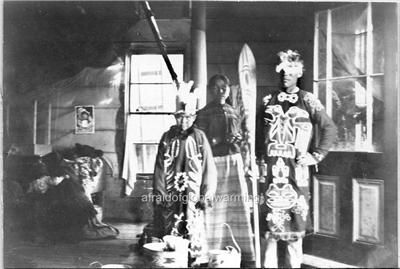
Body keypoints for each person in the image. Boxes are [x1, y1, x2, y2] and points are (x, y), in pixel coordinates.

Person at [255, 49, 337, 268]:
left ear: (299, 73)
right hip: (270, 174)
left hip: (296, 174)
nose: (285, 75)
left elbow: (329, 127)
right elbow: (256, 135)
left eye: (290, 71)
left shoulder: (308, 100)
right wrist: (255, 161)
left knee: (294, 234)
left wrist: (316, 155)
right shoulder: (267, 101)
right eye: (282, 71)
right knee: (269, 235)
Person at [152, 81, 217, 264]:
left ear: (194, 117)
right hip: (171, 193)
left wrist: (207, 192)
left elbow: (209, 168)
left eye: (188, 117)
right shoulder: (167, 137)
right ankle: (172, 259)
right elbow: (159, 167)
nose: (184, 121)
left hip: (193, 193)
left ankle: (193, 259)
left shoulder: (200, 137)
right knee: (171, 224)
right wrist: (160, 191)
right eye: (181, 117)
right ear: (175, 116)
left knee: (192, 223)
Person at [195, 74, 255, 266]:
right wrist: (219, 141)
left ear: (229, 90)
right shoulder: (204, 112)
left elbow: (242, 137)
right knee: (216, 204)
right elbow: (200, 141)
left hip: (235, 161)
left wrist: (240, 140)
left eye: (225, 88)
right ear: (211, 90)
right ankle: (211, 250)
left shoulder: (234, 111)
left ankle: (239, 250)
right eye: (217, 88)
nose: (222, 91)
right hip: (215, 162)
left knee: (236, 203)